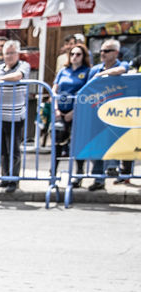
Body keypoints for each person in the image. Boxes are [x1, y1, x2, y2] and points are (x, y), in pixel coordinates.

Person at [86, 39, 132, 190]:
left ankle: (113, 168)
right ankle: (98, 179)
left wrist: (102, 75)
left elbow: (120, 71)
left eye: (107, 51)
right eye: (101, 51)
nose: (102, 54)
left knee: (114, 142)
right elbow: (87, 88)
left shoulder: (122, 65)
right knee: (97, 145)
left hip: (116, 114)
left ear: (116, 53)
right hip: (97, 112)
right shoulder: (94, 69)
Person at [0, 39, 30, 193]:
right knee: (3, 150)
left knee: (13, 150)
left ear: (17, 54)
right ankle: (5, 178)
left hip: (15, 117)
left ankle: (14, 180)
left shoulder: (23, 65)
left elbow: (18, 76)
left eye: (12, 53)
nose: (9, 56)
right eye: (7, 53)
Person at [51, 43, 90, 184]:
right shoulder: (63, 71)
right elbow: (53, 90)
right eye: (72, 54)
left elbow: (87, 94)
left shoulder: (87, 72)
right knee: (57, 142)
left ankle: (79, 174)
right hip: (60, 111)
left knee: (77, 143)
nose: (74, 57)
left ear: (83, 56)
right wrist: (56, 109)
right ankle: (52, 175)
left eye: (78, 54)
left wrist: (74, 112)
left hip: (77, 112)